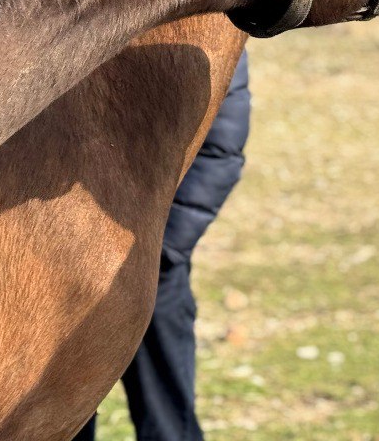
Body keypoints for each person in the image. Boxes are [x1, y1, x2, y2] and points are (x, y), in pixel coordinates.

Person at [75, 51, 251, 441]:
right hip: (68, 269)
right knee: (60, 418)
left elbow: (221, 152)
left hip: (156, 269)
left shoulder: (213, 31)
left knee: (168, 422)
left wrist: (160, 252)